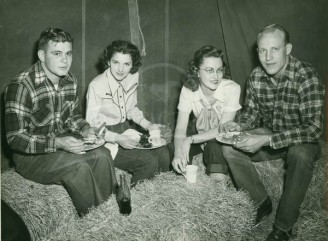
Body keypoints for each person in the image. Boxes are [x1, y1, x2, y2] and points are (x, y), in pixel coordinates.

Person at [221, 24, 325, 241]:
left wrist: (265, 140)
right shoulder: (256, 76)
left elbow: (314, 129)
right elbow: (251, 112)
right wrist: (239, 125)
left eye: (274, 50)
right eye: (262, 51)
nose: (267, 58)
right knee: (230, 147)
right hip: (272, 136)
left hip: (302, 141)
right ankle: (261, 202)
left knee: (300, 152)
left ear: (287, 48)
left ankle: (284, 227)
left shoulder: (306, 75)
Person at [5, 28, 117, 217]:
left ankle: (111, 216)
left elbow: (72, 118)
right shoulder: (21, 86)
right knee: (78, 168)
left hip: (59, 145)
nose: (65, 60)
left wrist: (87, 129)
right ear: (41, 55)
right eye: (57, 54)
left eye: (68, 53)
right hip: (30, 156)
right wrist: (58, 143)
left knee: (104, 155)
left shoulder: (70, 80)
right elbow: (15, 139)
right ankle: (96, 225)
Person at [86, 40, 170, 187]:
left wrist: (149, 125)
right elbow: (92, 125)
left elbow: (131, 109)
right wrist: (117, 138)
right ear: (108, 61)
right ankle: (139, 199)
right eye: (116, 62)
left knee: (163, 153)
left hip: (125, 130)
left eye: (127, 64)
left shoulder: (133, 77)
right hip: (105, 138)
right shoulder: (96, 85)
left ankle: (158, 192)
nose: (120, 69)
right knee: (148, 161)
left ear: (133, 65)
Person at [171, 45, 241, 179]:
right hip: (200, 131)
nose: (216, 76)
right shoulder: (188, 89)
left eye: (219, 70)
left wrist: (190, 139)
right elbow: (180, 128)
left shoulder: (232, 88)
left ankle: (219, 184)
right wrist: (178, 153)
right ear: (197, 71)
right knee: (171, 148)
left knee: (214, 146)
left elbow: (222, 129)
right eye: (209, 70)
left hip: (224, 136)